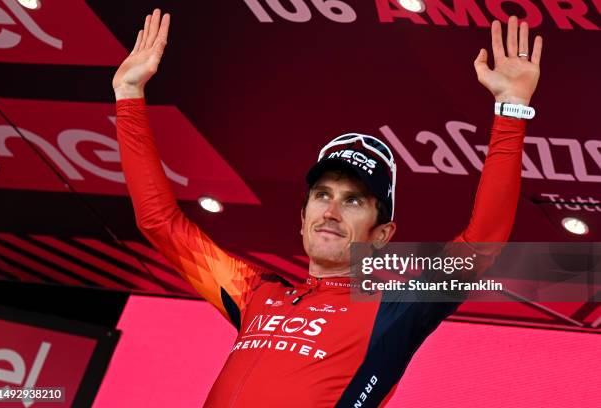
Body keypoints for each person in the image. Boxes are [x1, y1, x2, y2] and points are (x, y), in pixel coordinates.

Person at [113, 9, 542, 407]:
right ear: (302, 218)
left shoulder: (395, 310)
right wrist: (129, 94)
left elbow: (482, 242)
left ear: (381, 235)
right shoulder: (255, 293)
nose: (332, 211)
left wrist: (511, 110)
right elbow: (159, 222)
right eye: (323, 194)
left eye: (353, 200)